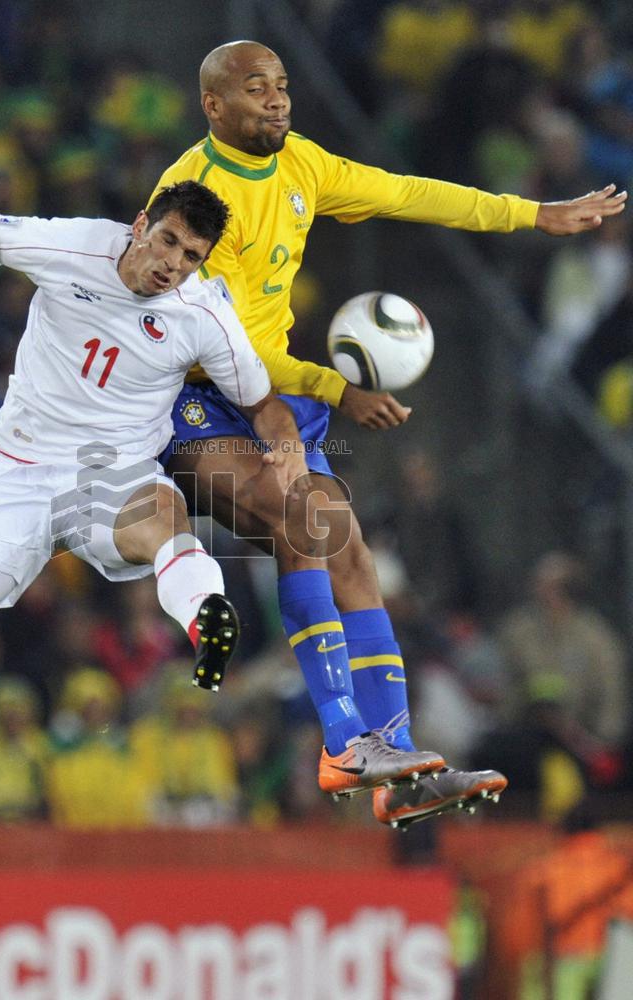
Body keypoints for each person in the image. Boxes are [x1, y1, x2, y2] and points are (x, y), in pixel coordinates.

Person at [0, 170, 361, 883]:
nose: (171, 265)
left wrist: (287, 442)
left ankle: (207, 617)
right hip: (14, 475)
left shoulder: (203, 315)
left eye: (190, 257)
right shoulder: (74, 246)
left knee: (161, 515)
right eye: (169, 242)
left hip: (105, 472)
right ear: (143, 222)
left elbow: (263, 401)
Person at [151, 40, 627, 828]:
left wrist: (533, 215)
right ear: (213, 107)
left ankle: (391, 757)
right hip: (193, 396)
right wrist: (336, 386)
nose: (277, 100)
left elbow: (406, 193)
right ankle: (344, 743)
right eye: (255, 89)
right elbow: (215, 341)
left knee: (351, 551)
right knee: (298, 514)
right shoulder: (193, 199)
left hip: (272, 388)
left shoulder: (301, 164)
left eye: (282, 85)